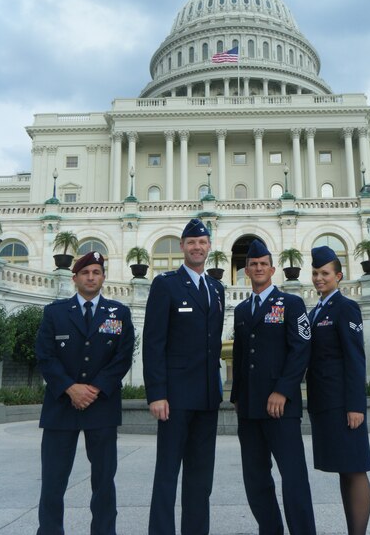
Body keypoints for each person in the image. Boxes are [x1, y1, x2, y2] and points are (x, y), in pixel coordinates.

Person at [35, 251, 135, 535]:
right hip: (60, 406)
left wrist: (95, 389)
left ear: (103, 277)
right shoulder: (55, 312)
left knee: (104, 481)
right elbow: (45, 355)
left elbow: (122, 357)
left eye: (96, 272)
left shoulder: (119, 313)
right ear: (75, 278)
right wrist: (70, 387)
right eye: (86, 272)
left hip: (101, 406)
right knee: (53, 481)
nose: (91, 277)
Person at [143, 218, 225, 535]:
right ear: (182, 247)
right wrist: (157, 393)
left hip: (206, 396)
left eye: (202, 242)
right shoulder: (166, 284)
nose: (197, 247)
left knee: (200, 476)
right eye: (191, 242)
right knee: (167, 473)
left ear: (209, 246)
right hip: (174, 398)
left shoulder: (217, 288)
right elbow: (154, 342)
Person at [230, 239, 316, 535]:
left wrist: (283, 390)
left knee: (293, 478)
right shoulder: (241, 310)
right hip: (250, 409)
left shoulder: (291, 303)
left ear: (272, 268)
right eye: (253, 264)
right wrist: (236, 397)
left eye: (263, 264)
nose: (258, 268)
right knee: (255, 479)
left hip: (282, 407)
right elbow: (240, 355)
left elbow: (301, 348)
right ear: (246, 270)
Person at [306, 246, 370, 535]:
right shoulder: (316, 310)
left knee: (355, 468)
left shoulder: (346, 307)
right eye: (316, 273)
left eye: (325, 273)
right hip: (325, 403)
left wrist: (356, 405)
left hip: (344, 403)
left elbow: (355, 358)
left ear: (338, 276)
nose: (319, 278)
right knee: (345, 469)